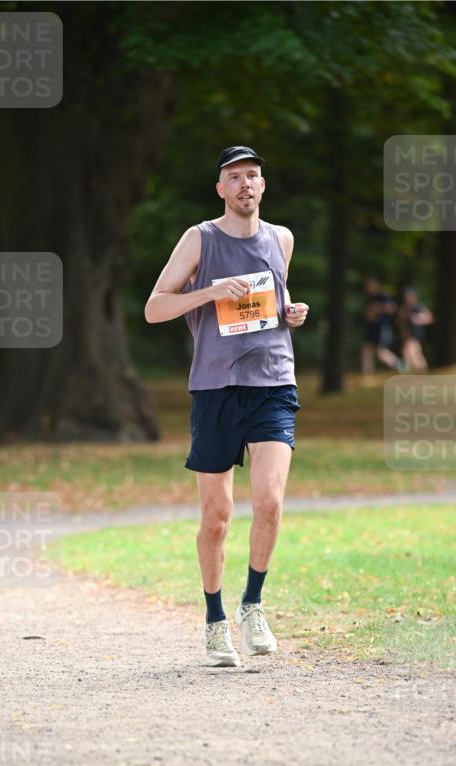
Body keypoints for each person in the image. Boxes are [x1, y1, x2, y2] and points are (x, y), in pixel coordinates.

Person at [145, 146, 309, 667]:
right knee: (217, 517)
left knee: (270, 501)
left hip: (273, 384)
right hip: (216, 389)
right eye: (234, 177)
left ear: (263, 185)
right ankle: (215, 621)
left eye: (253, 176)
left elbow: (269, 308)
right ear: (220, 189)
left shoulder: (280, 239)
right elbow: (154, 309)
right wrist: (210, 291)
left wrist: (290, 312)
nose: (245, 185)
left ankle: (253, 606)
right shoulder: (201, 239)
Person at [360, 276, 404, 374]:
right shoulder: (369, 299)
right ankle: (367, 375)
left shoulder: (383, 296)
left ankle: (401, 366)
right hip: (372, 328)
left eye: (371, 284)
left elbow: (392, 308)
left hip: (382, 328)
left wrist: (377, 309)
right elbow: (367, 314)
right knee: (366, 350)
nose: (369, 287)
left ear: (376, 285)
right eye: (367, 285)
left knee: (381, 353)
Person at [396, 286, 432, 371]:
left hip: (416, 335)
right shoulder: (404, 308)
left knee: (412, 354)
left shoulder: (418, 307)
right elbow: (398, 321)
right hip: (407, 336)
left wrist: (418, 319)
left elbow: (429, 318)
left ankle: (421, 375)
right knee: (412, 355)